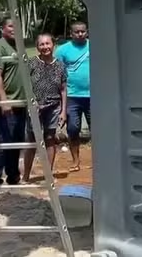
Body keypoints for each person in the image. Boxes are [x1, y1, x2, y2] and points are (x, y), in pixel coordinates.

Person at [0, 18, 30, 189]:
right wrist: (4, 101)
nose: (14, 29)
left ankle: (13, 177)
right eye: (11, 26)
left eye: (17, 26)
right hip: (7, 105)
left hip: (20, 103)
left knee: (16, 140)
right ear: (2, 28)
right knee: (3, 140)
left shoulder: (18, 46)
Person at [22, 33, 67, 182]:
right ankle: (26, 176)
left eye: (47, 43)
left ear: (53, 45)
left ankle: (48, 174)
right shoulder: (31, 63)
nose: (45, 47)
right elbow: (25, 85)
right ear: (37, 47)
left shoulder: (60, 65)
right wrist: (31, 102)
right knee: (31, 140)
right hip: (35, 107)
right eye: (41, 44)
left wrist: (63, 111)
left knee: (50, 139)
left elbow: (63, 89)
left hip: (53, 107)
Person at [55, 21, 90, 172]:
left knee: (98, 130)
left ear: (87, 32)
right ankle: (75, 160)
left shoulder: (95, 46)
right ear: (71, 34)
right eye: (77, 32)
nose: (80, 34)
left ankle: (100, 160)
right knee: (73, 128)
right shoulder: (63, 50)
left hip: (93, 96)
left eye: (83, 31)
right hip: (72, 96)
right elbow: (57, 73)